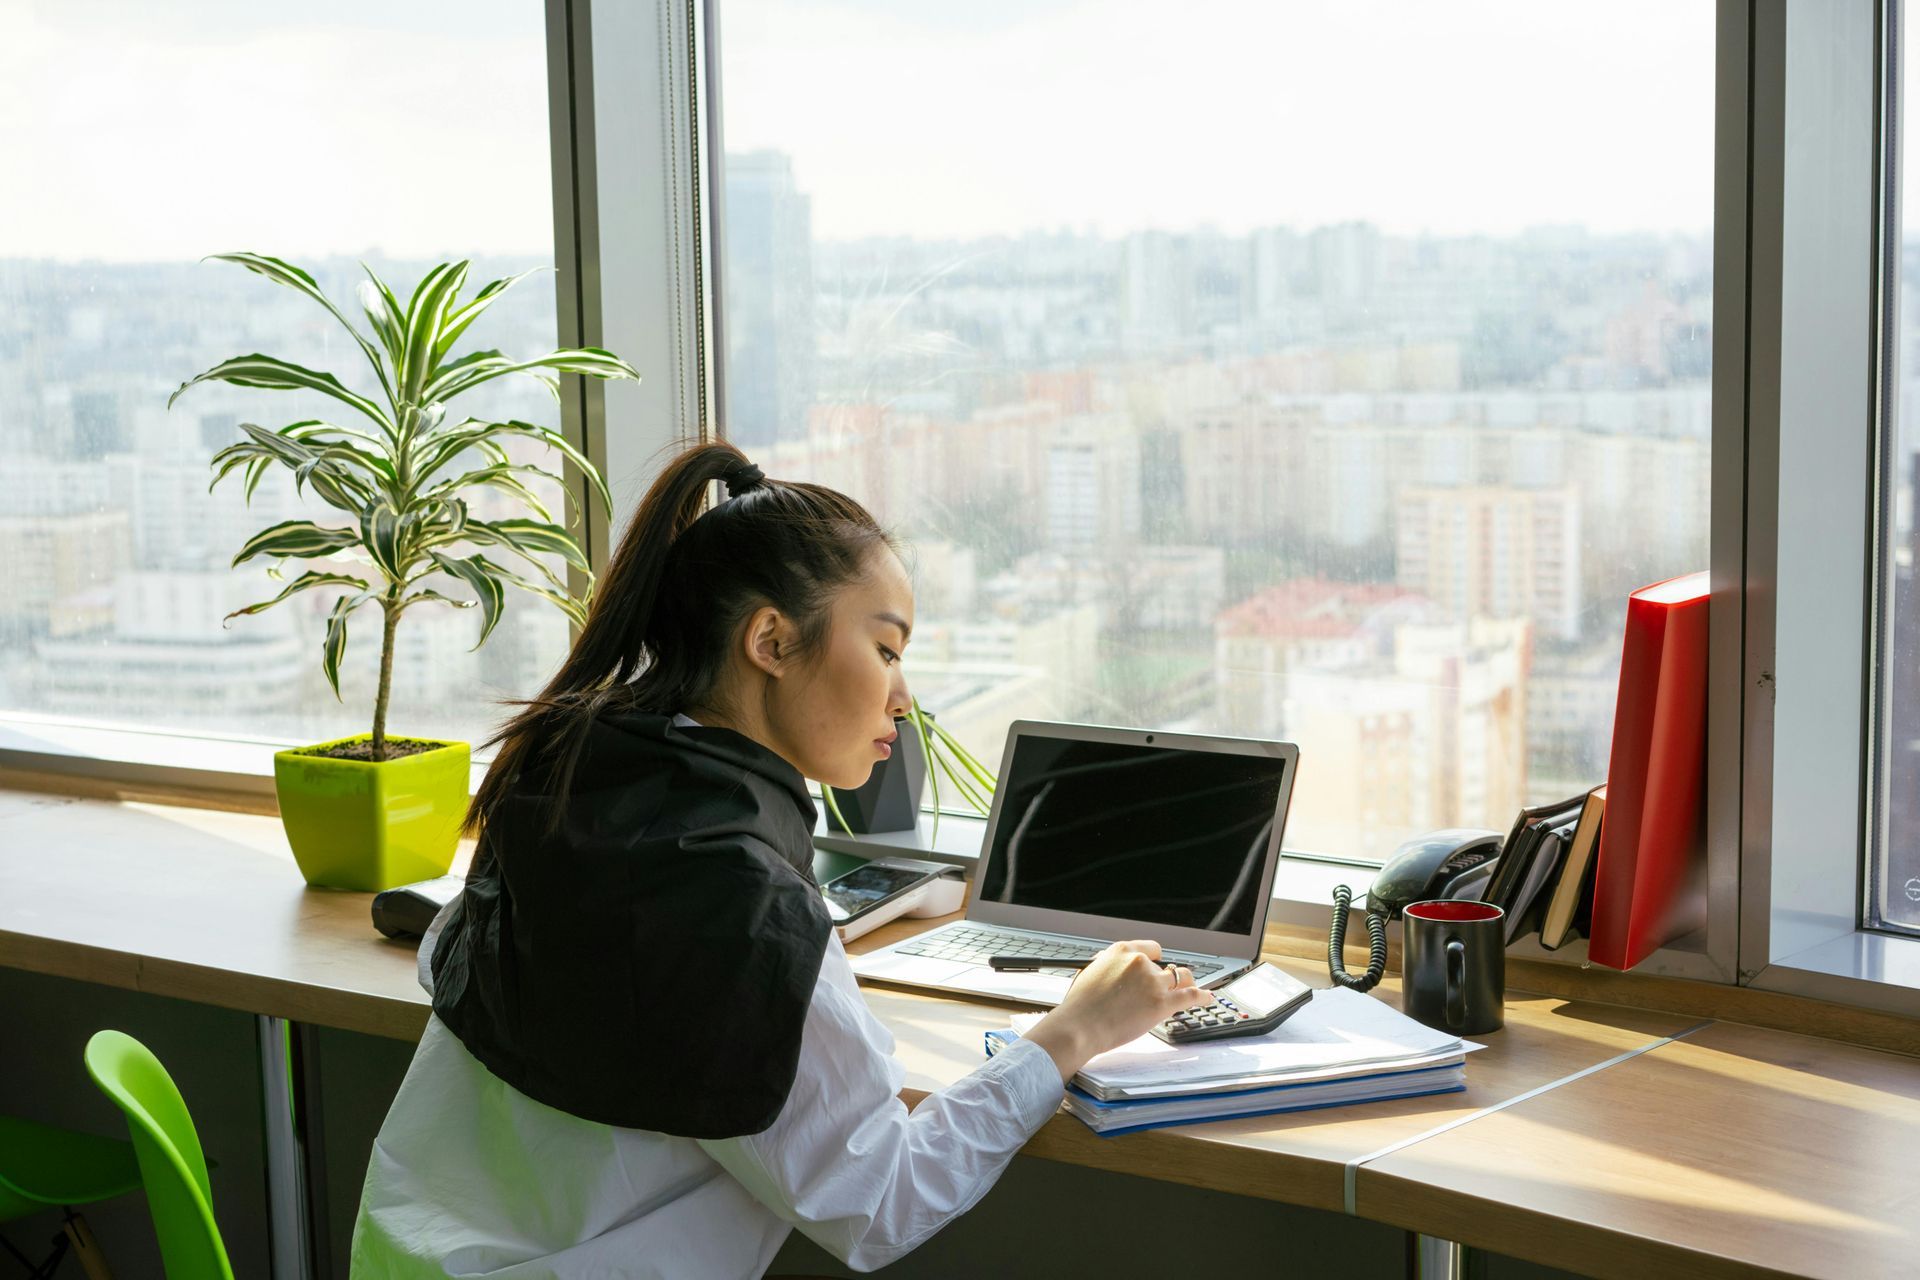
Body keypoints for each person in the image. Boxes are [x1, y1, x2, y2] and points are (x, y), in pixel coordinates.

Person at [350, 441, 1213, 1278]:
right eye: (885, 650)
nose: (902, 697)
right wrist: (1072, 1033)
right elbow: (883, 1206)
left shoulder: (565, 776)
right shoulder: (740, 907)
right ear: (770, 641)